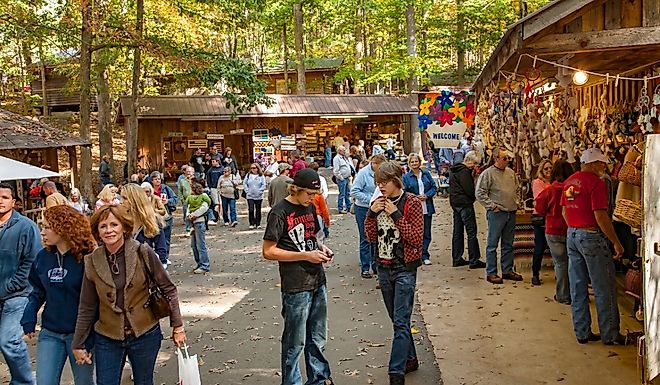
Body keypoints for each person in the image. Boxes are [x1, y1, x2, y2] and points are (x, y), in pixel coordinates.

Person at [72, 204, 186, 385]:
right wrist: (78, 343)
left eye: (113, 225)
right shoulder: (92, 261)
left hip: (144, 333)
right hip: (107, 336)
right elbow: (87, 306)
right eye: (103, 226)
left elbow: (168, 288)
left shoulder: (142, 251)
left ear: (124, 227)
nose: (109, 230)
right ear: (97, 231)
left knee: (143, 381)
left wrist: (177, 326)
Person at [262, 168, 335, 385]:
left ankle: (319, 378)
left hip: (317, 280)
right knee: (295, 342)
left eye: (315, 195)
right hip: (295, 286)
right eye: (309, 195)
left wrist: (322, 247)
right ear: (296, 189)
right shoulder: (279, 212)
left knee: (318, 337)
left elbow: (311, 236)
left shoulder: (310, 207)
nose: (312, 199)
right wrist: (304, 255)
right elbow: (268, 251)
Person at [21, 205, 96, 385]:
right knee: (45, 381)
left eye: (47, 227)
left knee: (84, 382)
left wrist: (87, 339)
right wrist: (29, 315)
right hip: (51, 332)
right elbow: (37, 291)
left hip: (80, 334)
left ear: (63, 228)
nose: (42, 232)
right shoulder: (43, 257)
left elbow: (97, 302)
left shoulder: (88, 258)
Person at [364, 162, 424, 385]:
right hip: (383, 267)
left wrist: (397, 215)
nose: (380, 187)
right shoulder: (378, 203)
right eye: (377, 182)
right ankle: (410, 358)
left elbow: (417, 239)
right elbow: (370, 236)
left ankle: (395, 373)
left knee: (400, 321)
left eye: (384, 182)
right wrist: (371, 213)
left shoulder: (412, 203)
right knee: (397, 320)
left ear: (396, 181)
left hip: (404, 268)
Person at [561, 148, 626, 345]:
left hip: (572, 234)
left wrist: (575, 229)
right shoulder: (596, 183)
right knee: (603, 286)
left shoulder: (569, 182)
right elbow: (600, 215)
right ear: (591, 164)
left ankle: (582, 332)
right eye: (601, 163)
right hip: (590, 236)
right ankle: (610, 334)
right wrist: (616, 242)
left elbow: (564, 211)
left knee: (578, 286)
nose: (604, 167)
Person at [0, 183, 40, 385]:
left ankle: (24, 382)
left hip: (18, 294)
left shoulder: (26, 227)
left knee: (9, 340)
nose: (0, 201)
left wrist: (10, 286)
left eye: (5, 197)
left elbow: (32, 262)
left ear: (14, 202)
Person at [475, 147, 522, 284]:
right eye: (504, 158)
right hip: (497, 213)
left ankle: (507, 270)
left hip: (510, 212)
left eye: (508, 158)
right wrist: (491, 206)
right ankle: (491, 272)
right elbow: (480, 193)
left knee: (508, 244)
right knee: (492, 244)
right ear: (496, 158)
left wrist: (516, 202)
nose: (507, 161)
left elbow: (517, 188)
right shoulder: (488, 174)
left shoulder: (511, 173)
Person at [535, 160, 574, 305]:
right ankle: (576, 294)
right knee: (573, 263)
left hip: (553, 230)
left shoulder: (550, 190)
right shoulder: (572, 189)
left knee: (560, 264)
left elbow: (539, 209)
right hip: (571, 229)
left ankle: (563, 295)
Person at [351, 154, 387, 278]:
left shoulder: (382, 173)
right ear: (374, 164)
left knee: (376, 236)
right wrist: (371, 200)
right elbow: (354, 191)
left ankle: (375, 264)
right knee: (365, 237)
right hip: (363, 208)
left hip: (378, 208)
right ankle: (365, 267)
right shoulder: (363, 174)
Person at [449, 151, 485, 269]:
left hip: (455, 203)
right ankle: (474, 259)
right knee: (471, 231)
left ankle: (457, 257)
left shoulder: (455, 170)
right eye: (475, 163)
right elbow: (469, 189)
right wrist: (473, 196)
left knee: (458, 231)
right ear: (469, 160)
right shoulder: (464, 172)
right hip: (465, 204)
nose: (475, 166)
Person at [121, 184, 169, 268]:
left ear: (135, 200)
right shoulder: (120, 220)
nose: (121, 201)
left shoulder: (152, 221)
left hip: (145, 271)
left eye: (125, 198)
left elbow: (161, 250)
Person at [403, 153, 437, 266]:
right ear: (409, 163)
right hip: (414, 209)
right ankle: (415, 254)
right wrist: (414, 197)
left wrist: (427, 195)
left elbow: (434, 187)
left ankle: (424, 254)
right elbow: (404, 192)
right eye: (412, 162)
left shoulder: (426, 174)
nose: (414, 163)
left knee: (427, 232)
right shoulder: (406, 177)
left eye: (416, 161)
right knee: (416, 233)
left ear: (419, 162)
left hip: (427, 206)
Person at [530, 159, 552, 285]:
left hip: (553, 217)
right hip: (541, 218)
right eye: (546, 168)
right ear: (541, 170)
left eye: (550, 168)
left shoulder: (554, 182)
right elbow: (540, 198)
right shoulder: (537, 182)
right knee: (540, 246)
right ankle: (535, 273)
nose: (549, 171)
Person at [150, 171, 178, 260]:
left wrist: (168, 201)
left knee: (166, 237)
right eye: (155, 179)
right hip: (153, 216)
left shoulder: (166, 188)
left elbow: (175, 199)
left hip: (166, 215)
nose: (157, 181)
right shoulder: (149, 190)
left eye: (158, 179)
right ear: (152, 181)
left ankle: (165, 256)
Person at [186, 182, 212, 273]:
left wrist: (194, 215)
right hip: (192, 222)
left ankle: (205, 265)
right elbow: (188, 207)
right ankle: (199, 263)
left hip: (199, 222)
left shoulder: (203, 197)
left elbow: (204, 208)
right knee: (194, 245)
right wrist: (189, 215)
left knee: (201, 245)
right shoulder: (190, 198)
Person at [244, 163, 267, 229]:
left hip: (258, 196)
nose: (252, 169)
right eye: (251, 168)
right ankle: (251, 223)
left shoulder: (261, 176)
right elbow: (245, 183)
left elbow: (263, 184)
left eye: (254, 168)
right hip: (250, 195)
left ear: (257, 168)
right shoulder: (248, 175)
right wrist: (247, 191)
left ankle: (258, 223)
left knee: (258, 210)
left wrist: (260, 191)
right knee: (251, 209)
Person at [333, 146, 353, 214]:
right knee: (342, 194)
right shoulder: (337, 158)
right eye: (343, 150)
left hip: (346, 178)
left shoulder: (344, 157)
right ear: (339, 151)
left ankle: (349, 207)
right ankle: (340, 208)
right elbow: (336, 170)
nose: (345, 151)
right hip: (342, 179)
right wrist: (341, 178)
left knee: (347, 193)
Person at [206, 158, 224, 225]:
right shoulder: (210, 170)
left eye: (213, 161)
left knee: (221, 202)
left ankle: (220, 214)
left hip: (221, 188)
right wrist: (210, 186)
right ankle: (216, 215)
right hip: (213, 188)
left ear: (217, 162)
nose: (212, 163)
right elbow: (208, 178)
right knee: (216, 202)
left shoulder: (222, 169)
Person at [177, 165, 194, 233]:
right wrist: (182, 199)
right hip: (186, 200)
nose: (188, 173)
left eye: (190, 171)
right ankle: (188, 229)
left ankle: (193, 227)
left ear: (193, 172)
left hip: (195, 200)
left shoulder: (195, 180)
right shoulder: (182, 181)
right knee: (187, 214)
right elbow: (180, 191)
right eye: (187, 171)